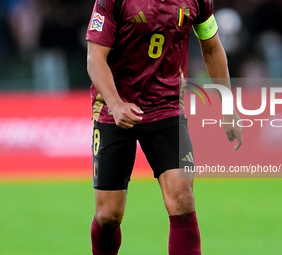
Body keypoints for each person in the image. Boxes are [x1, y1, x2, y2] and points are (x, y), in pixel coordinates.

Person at [86, 0, 243, 254]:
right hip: (114, 109)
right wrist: (116, 104)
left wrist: (227, 105)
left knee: (182, 197)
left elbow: (212, 49)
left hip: (166, 108)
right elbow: (95, 58)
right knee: (108, 215)